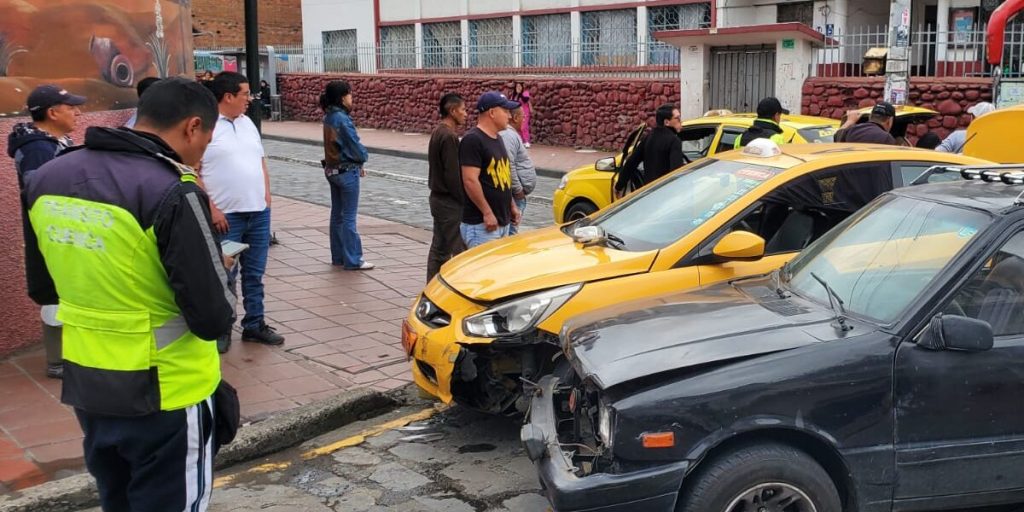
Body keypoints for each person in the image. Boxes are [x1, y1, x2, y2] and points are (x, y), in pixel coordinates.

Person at [22, 77, 234, 512]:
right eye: (207, 141)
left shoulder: (46, 178)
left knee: (117, 500)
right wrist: (221, 268)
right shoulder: (174, 189)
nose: (201, 154)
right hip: (169, 391)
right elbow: (213, 317)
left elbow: (43, 288)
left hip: (90, 383)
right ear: (193, 127)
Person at [6, 84, 86, 379]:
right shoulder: (38, 149)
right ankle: (59, 361)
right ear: (52, 113)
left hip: (64, 229)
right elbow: (43, 195)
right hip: (53, 233)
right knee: (55, 291)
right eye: (71, 108)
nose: (77, 112)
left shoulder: (55, 142)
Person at [201, 71, 284, 352]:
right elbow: (193, 171)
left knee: (255, 273)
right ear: (228, 97)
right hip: (227, 217)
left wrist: (267, 194)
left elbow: (259, 159)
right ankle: (222, 327)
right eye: (245, 94)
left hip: (258, 213)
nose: (250, 99)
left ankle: (254, 324)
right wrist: (212, 208)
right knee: (225, 273)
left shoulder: (248, 123)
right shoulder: (206, 126)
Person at [321, 80, 374, 270]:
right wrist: (362, 158)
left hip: (331, 170)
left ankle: (338, 256)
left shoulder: (328, 116)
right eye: (350, 94)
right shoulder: (343, 120)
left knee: (337, 215)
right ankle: (353, 259)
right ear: (343, 97)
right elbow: (354, 145)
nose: (352, 98)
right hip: (346, 171)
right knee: (349, 217)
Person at [460, 91, 521, 248]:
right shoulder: (473, 140)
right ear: (492, 113)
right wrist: (487, 212)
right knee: (482, 272)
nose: (509, 116)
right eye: (506, 111)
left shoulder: (498, 138)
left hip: (502, 221)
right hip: (482, 225)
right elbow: (470, 180)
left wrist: (512, 206)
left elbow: (502, 177)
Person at [426, 93, 467, 281]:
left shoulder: (437, 132)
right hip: (449, 202)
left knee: (439, 248)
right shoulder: (449, 136)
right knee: (459, 250)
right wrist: (464, 200)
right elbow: (453, 175)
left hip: (437, 199)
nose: (465, 114)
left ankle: (431, 286)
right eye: (463, 109)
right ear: (452, 111)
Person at [615, 103, 684, 196]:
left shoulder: (649, 137)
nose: (681, 121)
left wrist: (619, 186)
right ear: (667, 122)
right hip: (667, 194)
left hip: (649, 193)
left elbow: (631, 162)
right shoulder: (674, 140)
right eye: (678, 118)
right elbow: (676, 171)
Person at [499, 106, 536, 235]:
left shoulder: (511, 134)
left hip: (515, 195)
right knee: (511, 233)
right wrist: (518, 190)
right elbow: (508, 165)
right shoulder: (508, 135)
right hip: (514, 196)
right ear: (515, 118)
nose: (524, 119)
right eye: (523, 116)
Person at [510, 82, 531, 147]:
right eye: (517, 86)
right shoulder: (513, 95)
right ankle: (522, 141)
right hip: (517, 113)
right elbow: (511, 102)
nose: (518, 88)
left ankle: (527, 141)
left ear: (522, 87)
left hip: (525, 113)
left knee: (523, 127)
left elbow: (525, 100)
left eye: (520, 86)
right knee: (518, 128)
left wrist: (520, 93)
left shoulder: (525, 93)